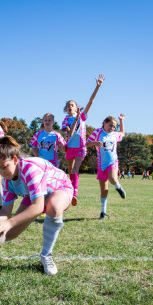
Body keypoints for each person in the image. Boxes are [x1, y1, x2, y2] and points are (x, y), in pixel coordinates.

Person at [0, 136, 74, 276]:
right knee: (10, 233)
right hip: (34, 196)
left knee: (53, 207)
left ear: (15, 160)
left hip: (59, 188)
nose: (2, 173)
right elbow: (6, 210)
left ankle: (46, 255)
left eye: (5, 167)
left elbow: (37, 207)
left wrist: (9, 222)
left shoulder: (30, 170)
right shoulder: (7, 181)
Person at [61, 74, 105, 206]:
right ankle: (70, 190)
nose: (70, 107)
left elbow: (91, 101)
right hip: (70, 148)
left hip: (81, 148)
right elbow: (70, 133)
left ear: (76, 107)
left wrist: (98, 86)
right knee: (70, 171)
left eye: (72, 105)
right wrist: (75, 119)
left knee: (75, 170)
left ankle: (74, 194)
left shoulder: (83, 116)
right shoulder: (65, 120)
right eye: (68, 105)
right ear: (66, 109)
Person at [85, 114, 126, 220]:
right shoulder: (97, 132)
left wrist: (121, 121)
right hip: (101, 165)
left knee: (112, 179)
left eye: (114, 127)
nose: (112, 128)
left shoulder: (114, 134)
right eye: (110, 125)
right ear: (104, 123)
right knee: (104, 190)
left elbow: (122, 134)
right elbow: (86, 143)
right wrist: (95, 143)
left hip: (113, 162)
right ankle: (103, 212)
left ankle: (118, 187)